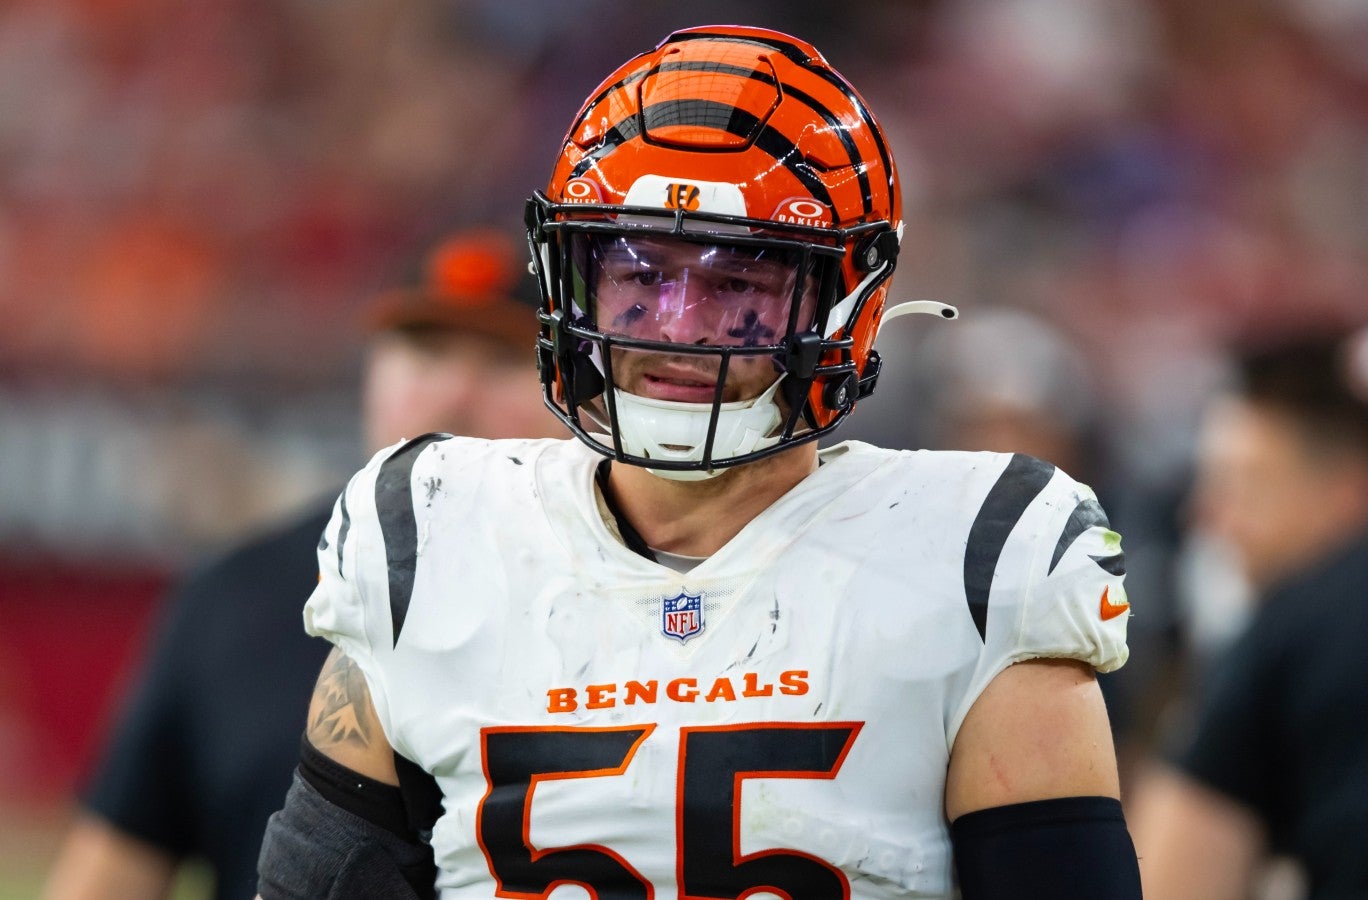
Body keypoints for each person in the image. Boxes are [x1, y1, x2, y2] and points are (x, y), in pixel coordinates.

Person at [256, 26, 1142, 899]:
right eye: (640, 273)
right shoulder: (431, 529)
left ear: (844, 301)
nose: (681, 329)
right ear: (571, 277)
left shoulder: (979, 559)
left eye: (740, 284)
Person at [42, 228, 559, 900]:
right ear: (373, 370)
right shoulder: (235, 595)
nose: (454, 394)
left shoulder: (634, 592)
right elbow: (107, 876)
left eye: (502, 356)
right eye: (425, 351)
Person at [1130, 328, 1368, 900]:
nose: (1207, 519)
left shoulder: (1290, 630)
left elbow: (1171, 881)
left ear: (1348, 488)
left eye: (1242, 487)